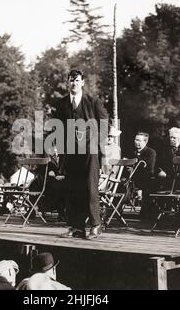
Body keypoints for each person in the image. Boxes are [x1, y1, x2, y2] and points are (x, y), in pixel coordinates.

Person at [55, 70, 108, 240]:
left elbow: (104, 125)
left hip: (90, 150)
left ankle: (96, 226)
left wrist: (99, 149)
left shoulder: (93, 102)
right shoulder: (62, 103)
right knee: (73, 188)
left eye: (77, 80)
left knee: (90, 188)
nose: (74, 83)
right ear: (67, 82)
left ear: (82, 82)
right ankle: (76, 227)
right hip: (71, 151)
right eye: (71, 80)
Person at [133, 132, 157, 220]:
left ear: (145, 142)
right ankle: (115, 210)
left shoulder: (150, 152)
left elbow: (150, 169)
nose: (136, 142)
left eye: (139, 140)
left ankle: (145, 214)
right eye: (135, 140)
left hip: (145, 178)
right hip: (133, 179)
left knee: (148, 185)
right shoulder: (132, 152)